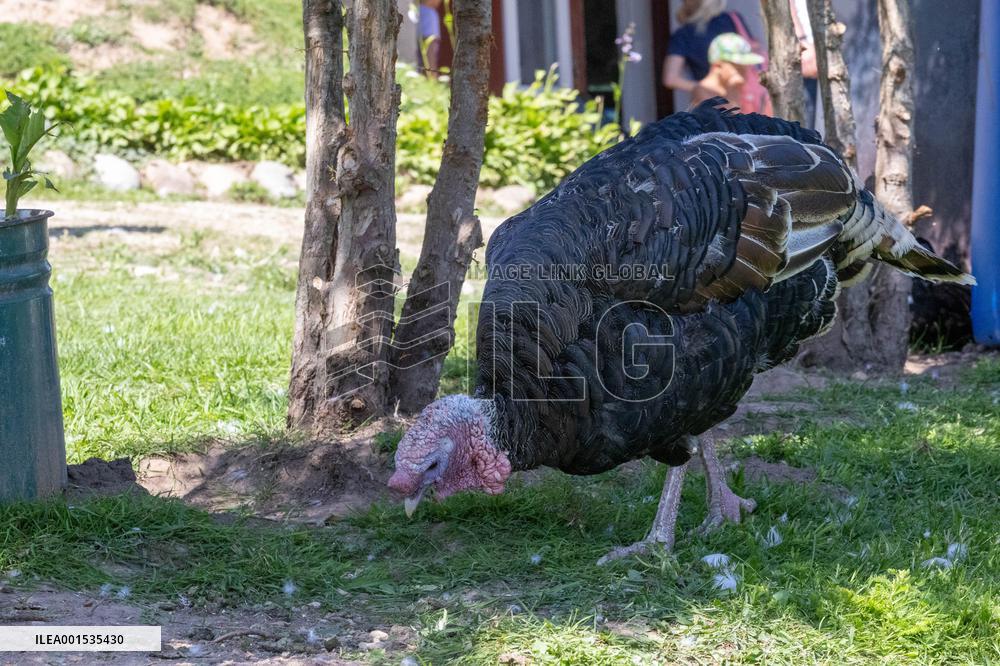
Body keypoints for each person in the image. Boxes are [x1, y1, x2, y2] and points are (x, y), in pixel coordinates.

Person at [662, 0, 756, 95]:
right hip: (744, 94)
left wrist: (706, 89)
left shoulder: (683, 35)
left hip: (713, 99)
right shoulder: (732, 19)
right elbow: (753, 50)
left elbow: (670, 79)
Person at [691, 33, 772, 115]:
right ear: (718, 66)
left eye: (745, 67)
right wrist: (732, 95)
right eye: (738, 68)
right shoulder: (702, 91)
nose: (743, 73)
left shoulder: (733, 87)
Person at [417, 0, 443, 77]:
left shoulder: (417, 10)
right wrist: (433, 74)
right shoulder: (429, 13)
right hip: (425, 68)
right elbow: (430, 45)